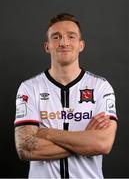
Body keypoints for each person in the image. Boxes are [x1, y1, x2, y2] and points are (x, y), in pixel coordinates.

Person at [14, 13, 118, 179]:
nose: (64, 42)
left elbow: (102, 144)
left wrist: (46, 133)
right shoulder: (29, 88)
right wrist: (85, 141)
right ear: (46, 46)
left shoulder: (100, 87)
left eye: (71, 36)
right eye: (56, 37)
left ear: (81, 45)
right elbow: (25, 148)